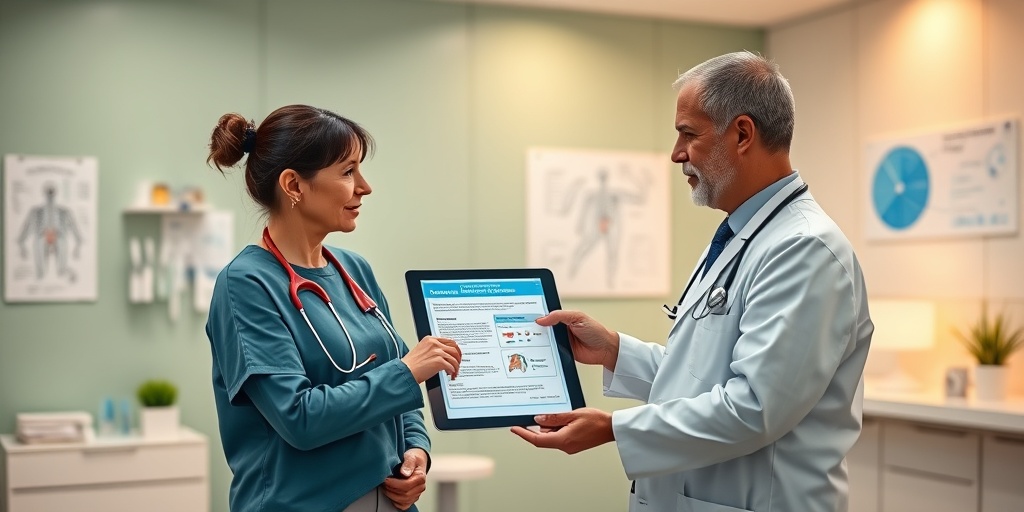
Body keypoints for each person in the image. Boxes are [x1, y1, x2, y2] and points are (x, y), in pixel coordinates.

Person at [511, 51, 873, 511]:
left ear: (742, 134)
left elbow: (754, 406)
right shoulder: (741, 236)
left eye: (688, 134)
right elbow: (705, 377)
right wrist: (615, 350)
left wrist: (614, 429)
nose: (676, 153)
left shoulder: (804, 250)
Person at [205, 105, 462, 512]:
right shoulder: (246, 284)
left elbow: (395, 375)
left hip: (386, 500)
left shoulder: (354, 269)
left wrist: (416, 450)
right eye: (348, 172)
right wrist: (409, 371)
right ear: (294, 184)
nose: (364, 187)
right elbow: (299, 418)